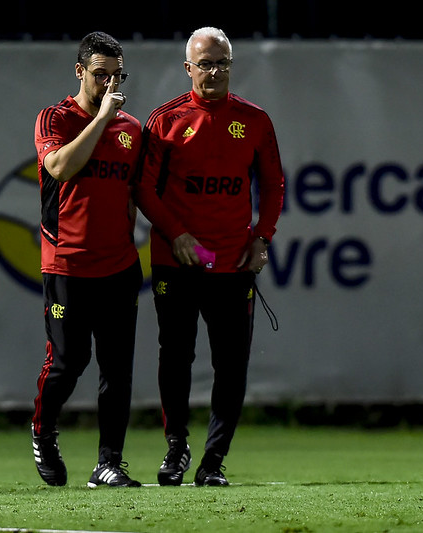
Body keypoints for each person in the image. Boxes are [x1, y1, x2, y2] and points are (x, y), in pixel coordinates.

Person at [134, 27, 285, 486]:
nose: (214, 71)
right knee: (176, 356)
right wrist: (176, 233)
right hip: (176, 259)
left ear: (231, 65)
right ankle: (176, 448)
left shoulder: (253, 119)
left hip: (232, 261)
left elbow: (274, 183)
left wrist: (262, 238)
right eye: (205, 63)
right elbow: (142, 187)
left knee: (231, 362)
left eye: (222, 62)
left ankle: (213, 461)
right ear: (188, 68)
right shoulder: (165, 120)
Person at [31, 31, 143, 488]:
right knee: (67, 362)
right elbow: (59, 167)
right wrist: (100, 118)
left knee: (116, 369)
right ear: (80, 71)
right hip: (67, 266)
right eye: (101, 74)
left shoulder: (131, 129)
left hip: (118, 266)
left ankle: (109, 462)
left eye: (118, 75)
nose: (110, 83)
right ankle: (43, 429)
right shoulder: (55, 118)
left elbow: (135, 195)